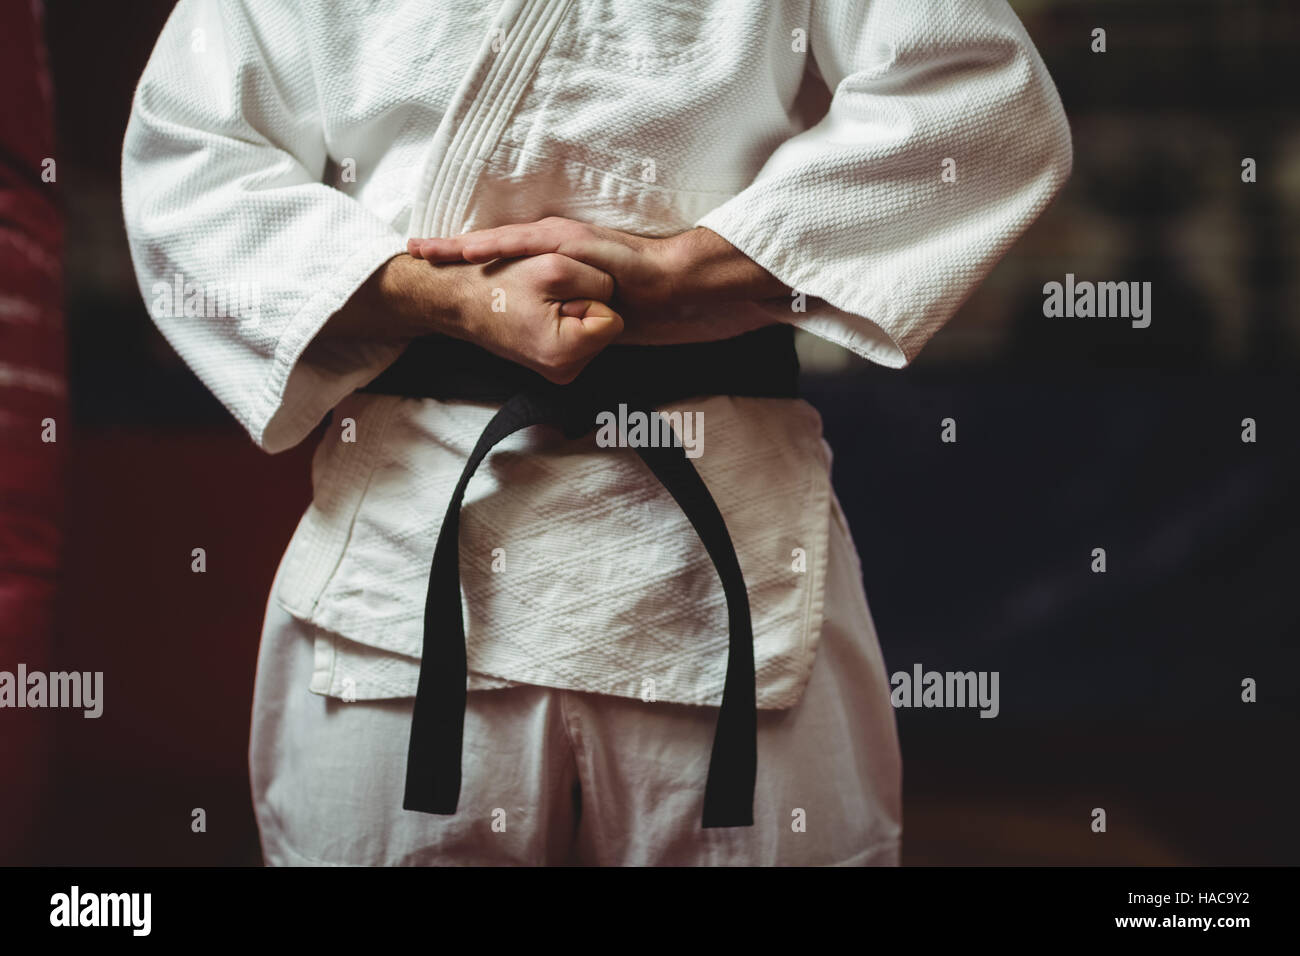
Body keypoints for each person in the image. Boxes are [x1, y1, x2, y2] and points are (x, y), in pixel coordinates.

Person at [122, 0, 1071, 865]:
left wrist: (688, 271)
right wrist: (446, 301)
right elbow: (191, 157)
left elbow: (979, 93)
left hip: (726, 543)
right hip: (408, 557)